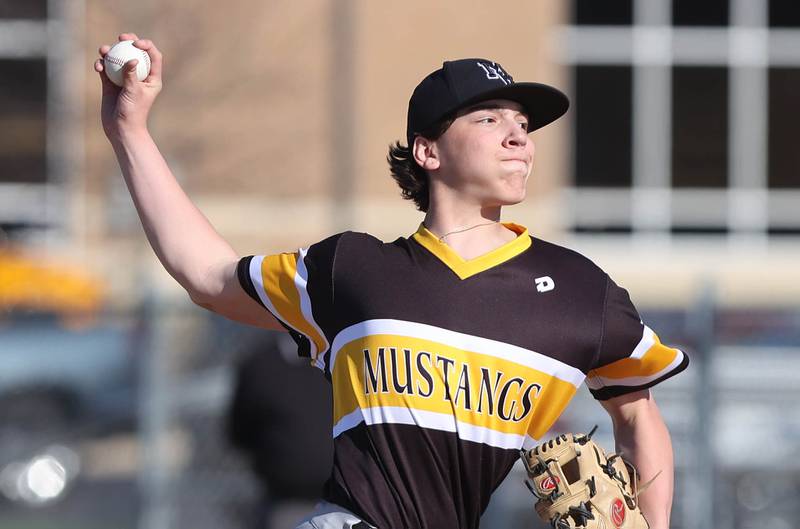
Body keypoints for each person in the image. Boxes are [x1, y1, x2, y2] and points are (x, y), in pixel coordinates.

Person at [95, 34, 688, 529]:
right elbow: (206, 275)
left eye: (524, 124)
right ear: (427, 151)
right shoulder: (354, 270)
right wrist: (131, 131)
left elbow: (639, 416)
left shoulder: (580, 292)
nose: (519, 137)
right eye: (489, 119)